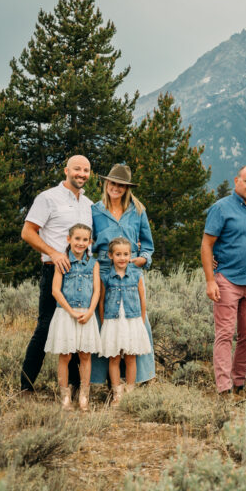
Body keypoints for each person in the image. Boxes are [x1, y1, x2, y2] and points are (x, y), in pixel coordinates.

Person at [20, 155, 94, 396]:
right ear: (66, 171)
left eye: (86, 170)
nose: (81, 174)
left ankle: (72, 387)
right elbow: (28, 232)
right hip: (56, 270)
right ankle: (25, 387)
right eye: (77, 169)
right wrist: (53, 253)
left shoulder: (89, 204)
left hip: (82, 274)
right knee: (45, 327)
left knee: (76, 329)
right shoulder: (48, 198)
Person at [201, 166, 246, 395]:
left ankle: (239, 381)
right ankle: (223, 387)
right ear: (236, 180)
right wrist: (211, 280)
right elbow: (207, 244)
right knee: (225, 334)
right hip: (227, 280)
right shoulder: (220, 208)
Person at [90, 164, 156, 388]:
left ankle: (140, 379)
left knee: (137, 321)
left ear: (127, 188)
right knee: (103, 322)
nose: (115, 187)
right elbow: (88, 241)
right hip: (104, 272)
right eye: (112, 182)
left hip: (131, 272)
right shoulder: (95, 210)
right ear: (106, 183)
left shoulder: (137, 211)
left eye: (120, 184)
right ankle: (103, 381)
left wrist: (142, 259)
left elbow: (148, 245)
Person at [44, 223, 101, 411]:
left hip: (86, 313)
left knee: (85, 355)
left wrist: (90, 311)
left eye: (85, 240)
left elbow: (96, 291)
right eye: (77, 239)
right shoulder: (62, 262)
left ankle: (84, 396)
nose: (81, 243)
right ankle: (65, 396)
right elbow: (55, 291)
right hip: (66, 314)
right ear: (69, 239)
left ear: (90, 242)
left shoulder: (93, 264)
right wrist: (71, 312)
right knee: (65, 355)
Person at [99, 237, 151, 405]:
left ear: (131, 255)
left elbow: (142, 299)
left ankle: (130, 392)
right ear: (110, 255)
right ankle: (117, 393)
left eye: (126, 254)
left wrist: (141, 322)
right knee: (113, 358)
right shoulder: (106, 277)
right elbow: (101, 301)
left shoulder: (136, 274)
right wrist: (103, 323)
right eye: (118, 254)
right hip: (112, 321)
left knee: (130, 358)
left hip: (132, 320)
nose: (122, 258)